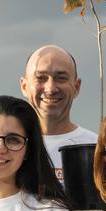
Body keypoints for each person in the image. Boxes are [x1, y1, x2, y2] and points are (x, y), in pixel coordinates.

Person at [20, 45, 97, 182]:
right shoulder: (6, 148)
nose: (50, 88)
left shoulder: (96, 148)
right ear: (24, 87)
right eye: (41, 78)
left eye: (61, 78)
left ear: (76, 87)